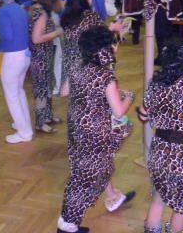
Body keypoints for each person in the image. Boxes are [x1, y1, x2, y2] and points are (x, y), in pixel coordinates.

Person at [57, 25, 134, 233]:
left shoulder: (78, 66)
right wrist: (129, 97)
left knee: (87, 172)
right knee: (86, 179)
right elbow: (119, 112)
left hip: (77, 128)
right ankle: (67, 225)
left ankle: (72, 221)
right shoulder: (105, 76)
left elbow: (64, 92)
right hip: (96, 133)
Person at [139, 40, 183, 233]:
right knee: (182, 206)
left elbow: (144, 115)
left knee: (159, 199)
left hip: (159, 150)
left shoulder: (155, 87)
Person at [0, 0, 33, 144]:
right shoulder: (21, 10)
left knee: (12, 95)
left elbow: (6, 37)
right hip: (25, 55)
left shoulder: (3, 12)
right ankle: (24, 124)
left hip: (13, 58)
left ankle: (24, 133)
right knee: (19, 91)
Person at [29, 0, 64, 133]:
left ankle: (47, 115)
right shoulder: (41, 14)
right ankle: (40, 122)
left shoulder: (40, 10)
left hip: (45, 55)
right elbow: (36, 39)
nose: (60, 1)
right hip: (40, 57)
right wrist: (57, 32)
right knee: (42, 90)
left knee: (47, 86)